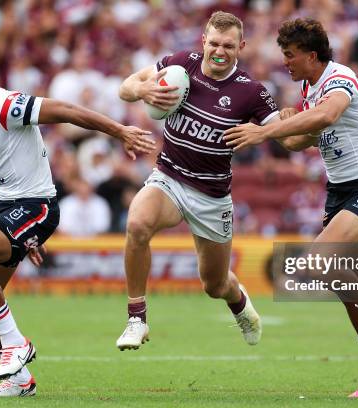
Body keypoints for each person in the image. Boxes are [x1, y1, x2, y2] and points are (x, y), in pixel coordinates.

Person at [0, 47, 155, 397]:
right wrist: (19, 236)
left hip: (36, 207)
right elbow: (4, 171)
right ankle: (20, 381)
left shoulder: (3, 104)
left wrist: (120, 131)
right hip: (11, 210)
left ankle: (16, 344)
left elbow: (66, 110)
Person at [224, 18, 358, 398]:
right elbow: (300, 141)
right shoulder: (309, 87)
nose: (284, 62)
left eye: (289, 55)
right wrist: (279, 125)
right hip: (339, 193)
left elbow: (326, 116)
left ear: (311, 55)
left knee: (317, 261)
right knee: (346, 285)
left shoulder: (340, 79)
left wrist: (266, 131)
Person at [116, 11, 280, 351]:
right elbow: (126, 87)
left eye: (229, 46)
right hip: (169, 177)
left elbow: (287, 135)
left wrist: (264, 131)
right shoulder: (180, 66)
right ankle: (136, 319)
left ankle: (241, 306)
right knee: (137, 223)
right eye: (214, 43)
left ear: (241, 47)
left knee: (215, 284)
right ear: (203, 41)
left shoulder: (251, 92)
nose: (220, 51)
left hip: (211, 195)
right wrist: (143, 89)